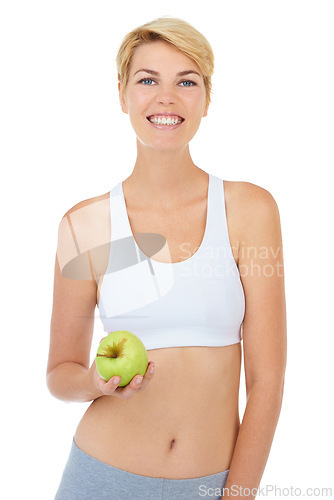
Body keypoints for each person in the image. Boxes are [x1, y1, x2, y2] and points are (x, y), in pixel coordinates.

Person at [47, 16, 287, 500]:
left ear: (206, 98)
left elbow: (267, 379)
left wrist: (238, 494)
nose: (166, 97)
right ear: (122, 94)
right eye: (148, 80)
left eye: (187, 81)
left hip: (211, 484)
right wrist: (95, 381)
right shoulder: (84, 225)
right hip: (101, 475)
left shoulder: (250, 211)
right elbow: (59, 373)